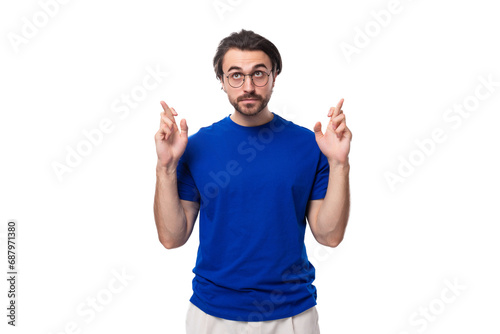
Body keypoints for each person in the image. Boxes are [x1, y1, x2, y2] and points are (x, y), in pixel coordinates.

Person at [153, 29, 352, 334]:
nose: (248, 86)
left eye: (259, 74)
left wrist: (339, 164)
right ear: (221, 80)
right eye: (236, 75)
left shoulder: (311, 146)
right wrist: (165, 167)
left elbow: (329, 236)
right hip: (212, 314)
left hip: (291, 314)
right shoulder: (195, 146)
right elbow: (172, 238)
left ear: (274, 76)